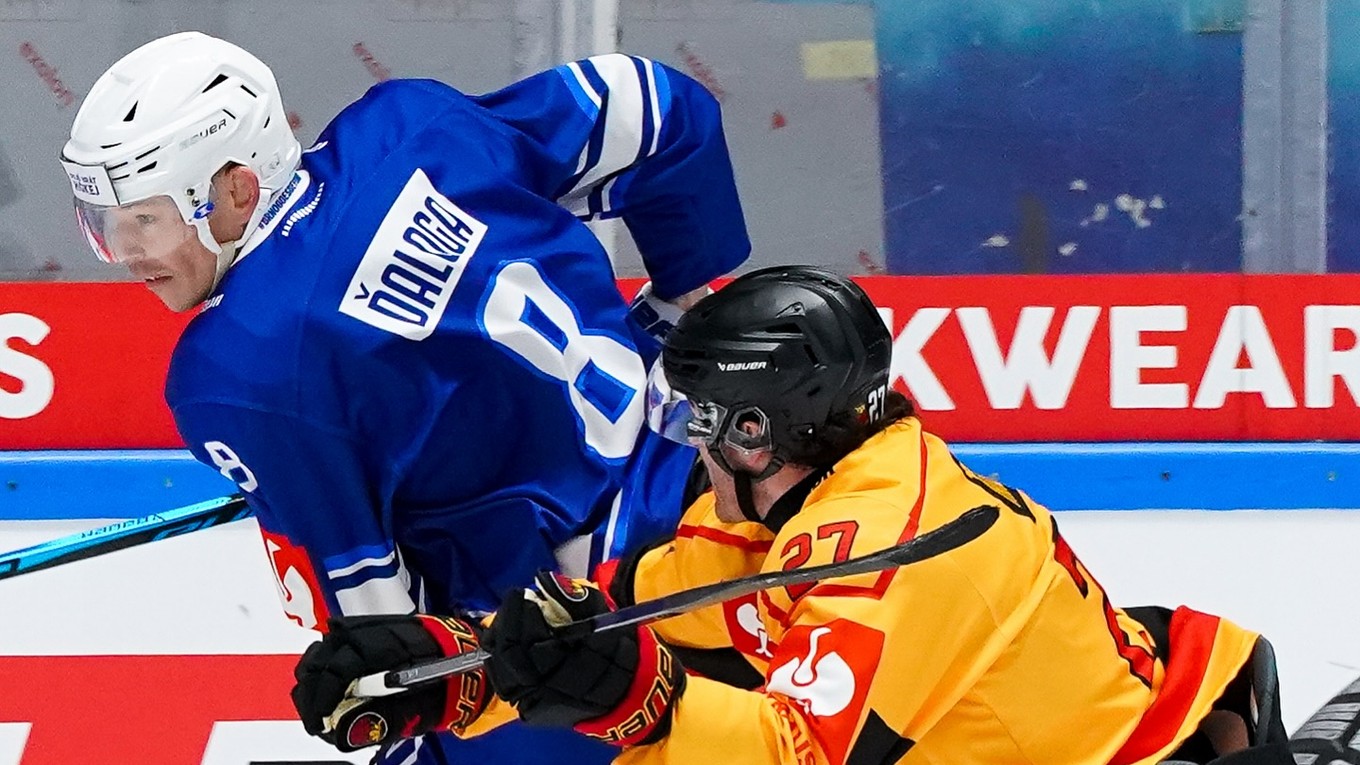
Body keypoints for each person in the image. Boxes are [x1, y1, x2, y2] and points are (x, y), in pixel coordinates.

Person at [59, 31, 749, 765]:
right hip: (719, 488)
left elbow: (392, 647)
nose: (127, 254)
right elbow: (661, 109)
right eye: (107, 225)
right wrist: (686, 303)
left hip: (581, 637)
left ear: (237, 188)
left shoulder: (235, 372)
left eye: (145, 219)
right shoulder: (410, 124)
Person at [292, 265, 1292, 765]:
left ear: (764, 432)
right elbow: (606, 622)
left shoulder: (895, 551)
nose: (683, 436)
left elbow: (793, 755)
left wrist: (636, 703)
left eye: (701, 416)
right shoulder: (793, 517)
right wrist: (454, 667)